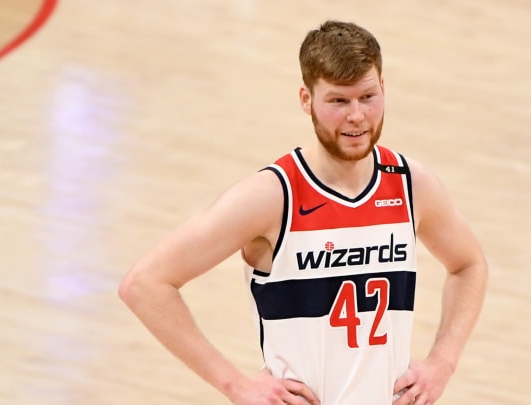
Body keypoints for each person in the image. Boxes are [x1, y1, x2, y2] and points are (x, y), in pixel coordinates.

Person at [119, 20, 488, 405]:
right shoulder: (272, 197)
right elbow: (145, 284)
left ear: (384, 89)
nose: (357, 116)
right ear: (306, 99)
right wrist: (235, 385)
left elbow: (469, 265)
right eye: (338, 101)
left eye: (368, 96)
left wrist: (443, 361)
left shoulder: (411, 185)